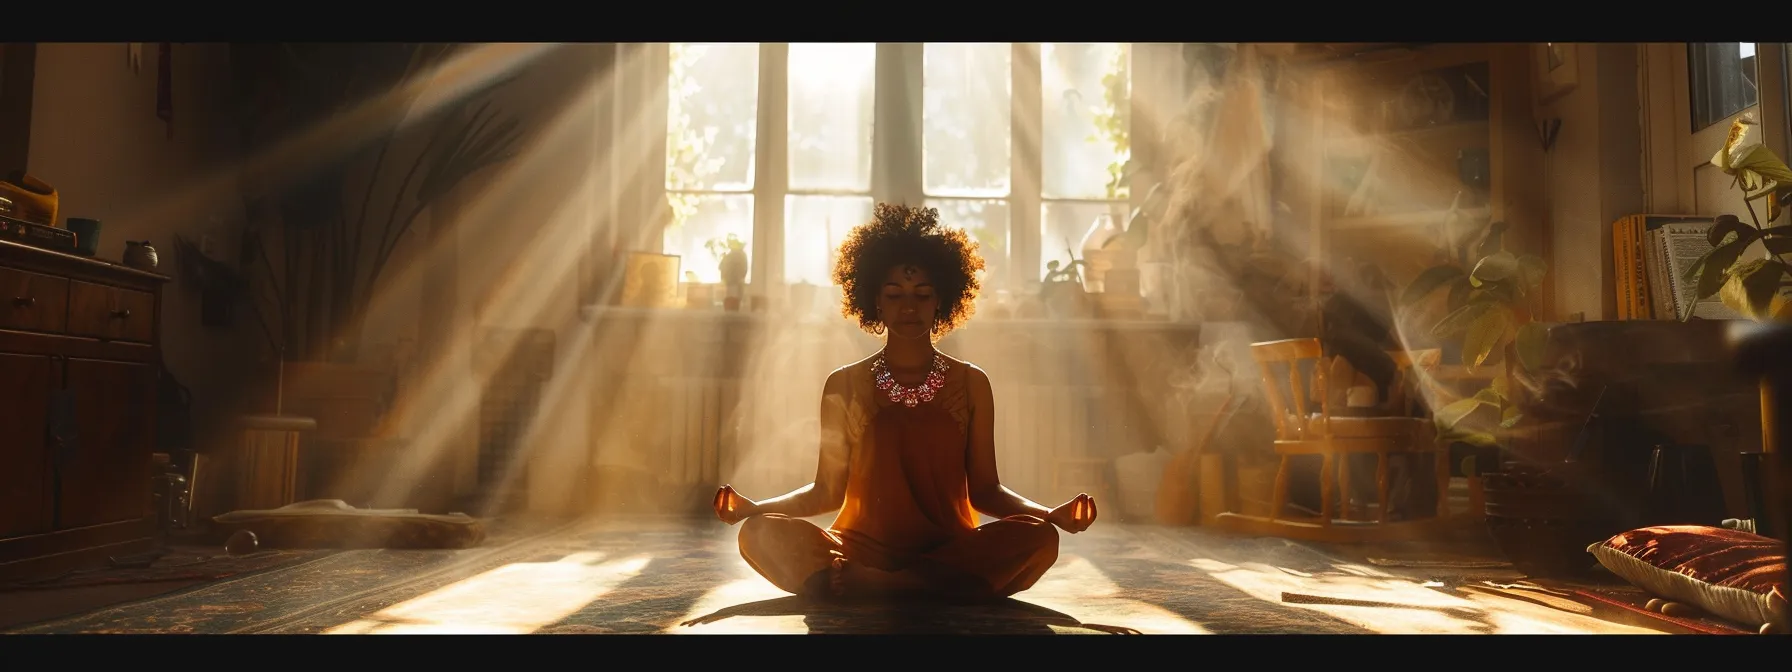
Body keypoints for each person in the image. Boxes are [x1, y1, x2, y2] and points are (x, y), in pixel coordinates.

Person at [709, 203, 1098, 603]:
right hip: (857, 549)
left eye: (922, 294)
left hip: (949, 551)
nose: (908, 307)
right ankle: (920, 588)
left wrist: (1050, 515)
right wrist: (752, 508)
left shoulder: (971, 382)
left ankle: (888, 585)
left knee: (1040, 539)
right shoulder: (843, 384)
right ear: (875, 300)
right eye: (894, 294)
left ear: (941, 301)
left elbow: (986, 490)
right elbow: (825, 491)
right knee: (757, 533)